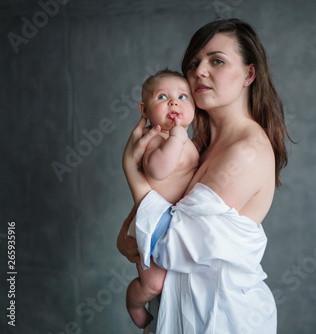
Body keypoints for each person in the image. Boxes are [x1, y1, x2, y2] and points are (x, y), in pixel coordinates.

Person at [117, 18, 291, 333]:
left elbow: (174, 245)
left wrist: (133, 173)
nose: (199, 71)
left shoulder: (246, 151)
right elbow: (158, 217)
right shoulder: (199, 145)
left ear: (248, 74)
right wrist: (127, 235)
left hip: (220, 318)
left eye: (217, 61)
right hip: (183, 309)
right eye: (194, 63)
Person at [124, 68, 199, 329]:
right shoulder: (155, 140)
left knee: (169, 281)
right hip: (153, 223)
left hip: (174, 226)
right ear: (144, 111)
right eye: (162, 97)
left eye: (182, 96)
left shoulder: (190, 141)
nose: (173, 102)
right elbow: (157, 170)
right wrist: (177, 138)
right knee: (153, 284)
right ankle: (133, 303)